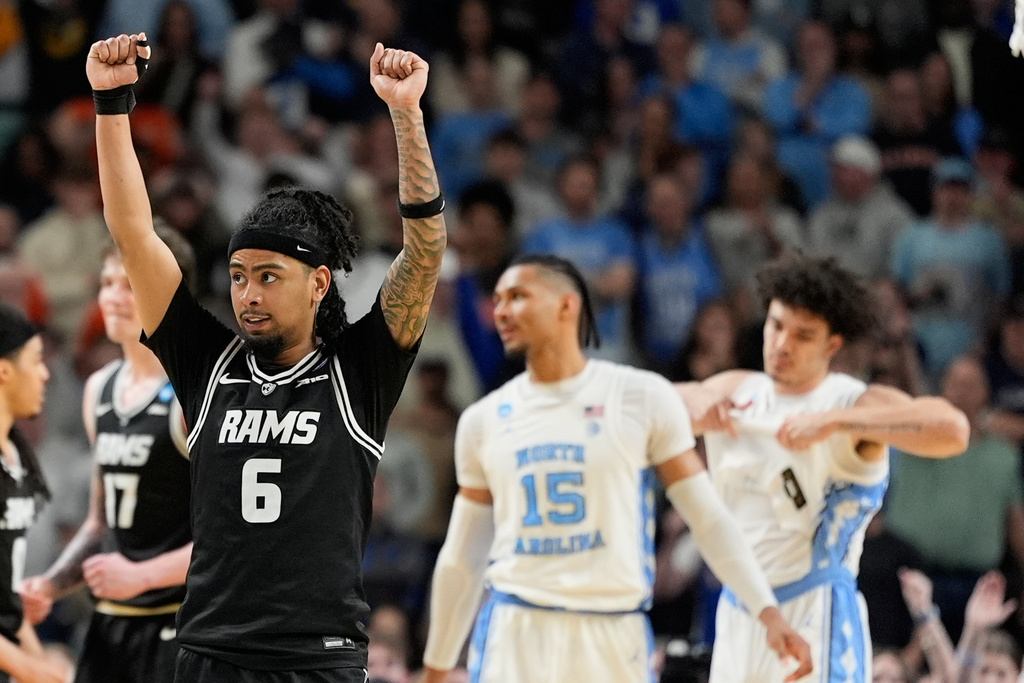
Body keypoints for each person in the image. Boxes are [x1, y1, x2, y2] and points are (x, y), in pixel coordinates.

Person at [87, 33, 446, 682]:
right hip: (209, 654)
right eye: (238, 275)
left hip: (315, 659)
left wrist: (405, 114)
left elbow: (423, 251)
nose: (248, 294)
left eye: (268, 276)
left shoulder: (357, 370)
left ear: (319, 282)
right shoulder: (208, 363)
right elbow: (133, 234)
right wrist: (112, 106)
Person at [422, 254, 812, 683]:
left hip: (611, 627)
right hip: (518, 628)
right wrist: (437, 667)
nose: (500, 311)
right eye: (496, 300)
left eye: (517, 297)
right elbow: (462, 557)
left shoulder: (640, 396)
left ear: (567, 306)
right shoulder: (483, 420)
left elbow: (709, 519)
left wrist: (768, 611)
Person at [675, 252, 970, 683]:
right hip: (740, 613)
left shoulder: (851, 402)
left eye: (803, 335)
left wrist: (834, 423)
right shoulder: (734, 389)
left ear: (832, 345)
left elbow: (952, 429)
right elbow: (640, 406)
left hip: (814, 609)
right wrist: (689, 401)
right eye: (776, 326)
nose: (782, 344)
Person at [19, 225, 197, 683]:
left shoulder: (194, 396)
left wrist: (143, 575)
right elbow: (101, 523)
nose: (113, 297)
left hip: (179, 621)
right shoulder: (100, 389)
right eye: (106, 284)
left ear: (164, 289)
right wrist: (51, 584)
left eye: (128, 283)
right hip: (111, 618)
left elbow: (231, 540)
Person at [0, 305, 68, 682]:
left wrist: (37, 663)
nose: (45, 374)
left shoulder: (15, 454)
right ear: (4, 371)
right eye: (36, 361)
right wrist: (31, 669)